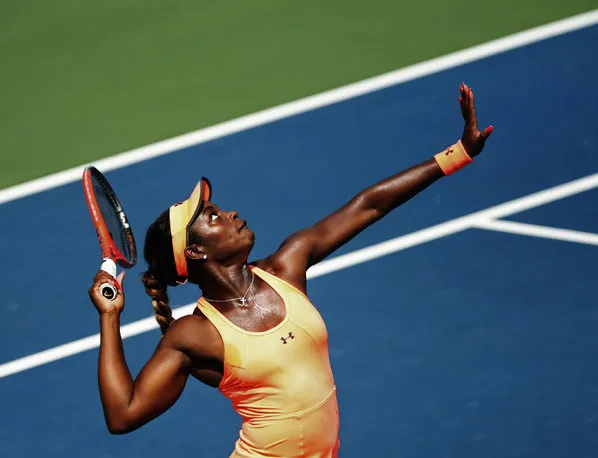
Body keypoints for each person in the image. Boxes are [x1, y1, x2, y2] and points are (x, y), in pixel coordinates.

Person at [88, 83, 493, 457]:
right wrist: (110, 317)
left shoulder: (286, 267)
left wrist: (457, 154)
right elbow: (124, 415)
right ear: (195, 251)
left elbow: (368, 205)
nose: (230, 213)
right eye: (213, 217)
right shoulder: (194, 334)